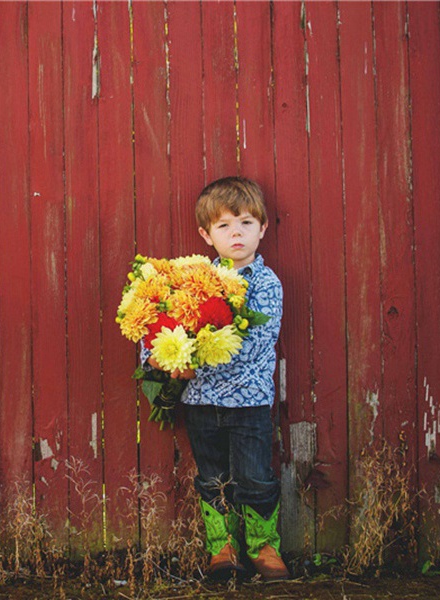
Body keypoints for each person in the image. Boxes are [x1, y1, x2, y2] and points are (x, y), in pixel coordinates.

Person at [142, 176, 288, 580]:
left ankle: (263, 546)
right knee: (212, 478)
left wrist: (191, 359)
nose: (235, 233)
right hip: (201, 403)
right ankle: (221, 548)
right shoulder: (190, 281)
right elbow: (160, 325)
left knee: (255, 477)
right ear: (206, 235)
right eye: (224, 226)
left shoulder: (265, 284)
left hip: (250, 403)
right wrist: (162, 359)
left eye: (244, 223)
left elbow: (252, 346)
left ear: (262, 228)